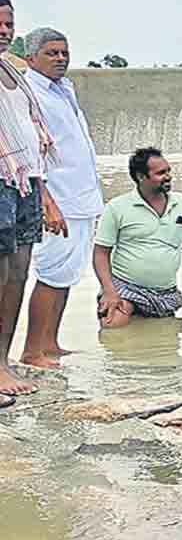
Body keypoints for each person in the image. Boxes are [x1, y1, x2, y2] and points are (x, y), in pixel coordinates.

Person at [19, 28, 104, 370]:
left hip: (83, 196)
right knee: (51, 273)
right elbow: (31, 151)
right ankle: (31, 351)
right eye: (51, 53)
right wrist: (47, 201)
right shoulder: (28, 92)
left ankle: (51, 342)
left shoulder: (64, 89)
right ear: (31, 58)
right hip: (59, 197)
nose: (60, 59)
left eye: (64, 53)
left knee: (68, 273)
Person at [0, 0, 65, 397]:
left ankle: (3, 361)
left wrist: (44, 195)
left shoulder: (13, 73)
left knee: (19, 274)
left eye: (9, 23)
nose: (4, 30)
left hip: (24, 185)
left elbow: (29, 137)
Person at [94, 148, 182, 327]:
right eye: (160, 173)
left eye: (168, 171)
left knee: (166, 341)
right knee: (114, 325)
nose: (168, 176)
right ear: (141, 176)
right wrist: (109, 290)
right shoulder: (116, 208)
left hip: (165, 292)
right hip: (125, 287)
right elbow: (100, 253)